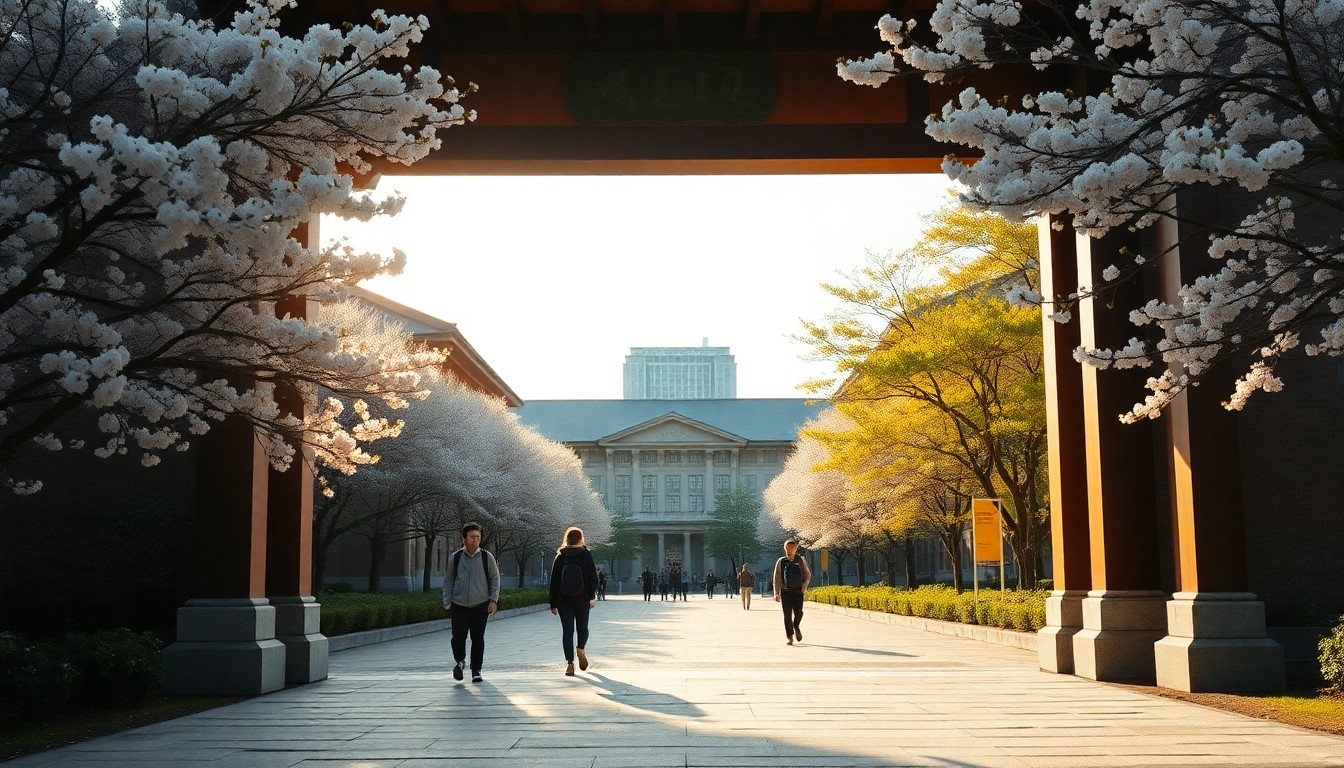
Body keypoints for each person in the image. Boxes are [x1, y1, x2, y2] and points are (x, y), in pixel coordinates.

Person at [441, 521, 500, 683]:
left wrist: (493, 600)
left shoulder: (487, 557)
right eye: (472, 537)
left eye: (478, 537)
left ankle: (476, 670)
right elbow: (448, 580)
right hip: (458, 604)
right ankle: (460, 661)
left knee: (477, 637)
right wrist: (447, 601)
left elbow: (495, 579)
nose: (475, 540)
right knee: (458, 635)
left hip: (480, 604)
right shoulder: (456, 557)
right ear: (464, 538)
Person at [549, 526, 599, 676]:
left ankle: (570, 664)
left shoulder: (560, 556)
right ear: (580, 538)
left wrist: (553, 603)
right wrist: (591, 596)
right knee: (583, 628)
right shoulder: (585, 555)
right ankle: (580, 648)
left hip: (564, 600)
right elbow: (593, 578)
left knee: (567, 632)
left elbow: (554, 581)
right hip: (582, 599)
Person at [773, 538, 812, 645]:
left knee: (799, 612)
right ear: (784, 548)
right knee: (787, 615)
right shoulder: (781, 561)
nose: (789, 550)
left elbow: (807, 575)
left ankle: (796, 625)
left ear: (795, 548)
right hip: (785, 591)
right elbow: (776, 578)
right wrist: (776, 593)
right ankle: (790, 637)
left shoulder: (800, 560)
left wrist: (804, 585)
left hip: (798, 591)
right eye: (787, 548)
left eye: (791, 548)